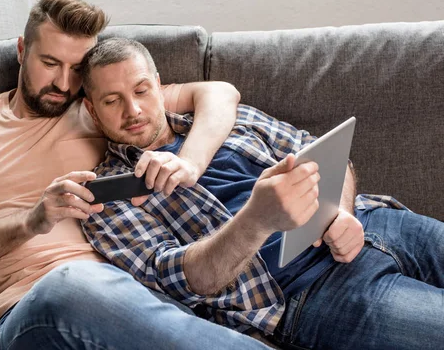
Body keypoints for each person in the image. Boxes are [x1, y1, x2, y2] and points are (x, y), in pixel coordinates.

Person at [0, 0, 275, 350]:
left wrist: (189, 162)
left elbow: (218, 94)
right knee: (71, 285)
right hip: (30, 308)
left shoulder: (101, 108)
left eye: (76, 69)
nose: (63, 84)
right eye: (49, 63)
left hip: (137, 301)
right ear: (21, 50)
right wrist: (32, 221)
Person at [79, 37, 444, 350]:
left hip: (374, 221)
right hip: (311, 291)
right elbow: (189, 281)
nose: (134, 110)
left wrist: (340, 212)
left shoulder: (225, 117)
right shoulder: (109, 197)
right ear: (93, 112)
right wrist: (257, 219)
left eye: (141, 90)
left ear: (160, 87)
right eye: (112, 101)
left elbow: (327, 153)